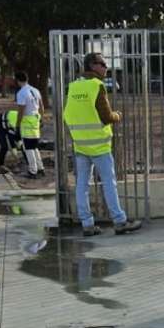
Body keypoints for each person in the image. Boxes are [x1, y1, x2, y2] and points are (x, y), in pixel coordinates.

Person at [62, 52, 142, 236]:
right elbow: (106, 117)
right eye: (102, 64)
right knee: (108, 182)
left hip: (80, 145)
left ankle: (87, 224)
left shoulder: (73, 86)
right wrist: (118, 115)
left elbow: (68, 114)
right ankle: (120, 221)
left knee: (82, 184)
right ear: (92, 66)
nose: (106, 67)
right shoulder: (97, 86)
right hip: (99, 146)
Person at [14, 71, 46, 179]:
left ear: (18, 80)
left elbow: (21, 110)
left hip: (27, 121)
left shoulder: (21, 93)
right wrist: (41, 118)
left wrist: (17, 125)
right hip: (36, 119)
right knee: (34, 146)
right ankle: (41, 168)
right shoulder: (35, 90)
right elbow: (41, 106)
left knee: (28, 147)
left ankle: (33, 170)